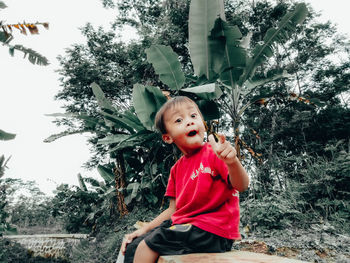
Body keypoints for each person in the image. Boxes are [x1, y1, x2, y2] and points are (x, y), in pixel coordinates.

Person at [120, 96, 249, 263]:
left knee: (147, 246)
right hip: (187, 228)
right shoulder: (177, 169)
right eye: (179, 120)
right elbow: (173, 210)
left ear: (203, 123)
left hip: (212, 231)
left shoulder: (214, 153)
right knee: (133, 247)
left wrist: (233, 163)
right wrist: (145, 229)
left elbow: (242, 185)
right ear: (167, 137)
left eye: (194, 116)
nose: (189, 122)